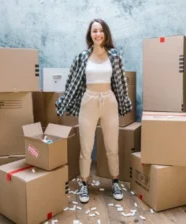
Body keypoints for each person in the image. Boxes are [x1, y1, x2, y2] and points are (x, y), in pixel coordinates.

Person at [55, 18, 132, 204]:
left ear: (105, 33)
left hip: (109, 101)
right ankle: (84, 183)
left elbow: (121, 84)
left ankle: (115, 181)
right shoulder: (81, 57)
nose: (97, 34)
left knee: (112, 146)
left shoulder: (115, 56)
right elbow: (72, 83)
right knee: (86, 147)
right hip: (88, 102)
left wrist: (124, 103)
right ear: (90, 35)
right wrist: (63, 102)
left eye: (100, 30)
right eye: (94, 31)